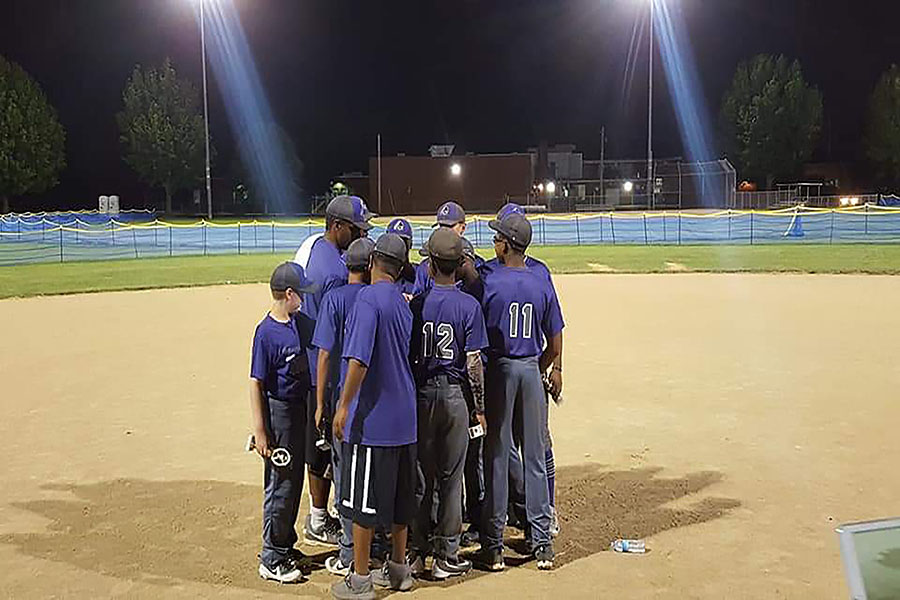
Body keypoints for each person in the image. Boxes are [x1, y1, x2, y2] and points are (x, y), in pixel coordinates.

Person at [472, 213, 564, 572]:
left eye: (498, 238)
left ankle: (493, 545)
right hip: (530, 369)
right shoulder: (540, 281)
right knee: (536, 458)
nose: (494, 242)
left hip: (500, 371)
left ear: (507, 244)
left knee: (496, 455)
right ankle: (542, 542)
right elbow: (555, 340)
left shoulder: (490, 281)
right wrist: (541, 367)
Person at [331, 233, 418, 600]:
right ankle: (399, 570)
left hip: (375, 419)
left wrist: (344, 405)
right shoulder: (402, 303)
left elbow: (359, 360)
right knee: (400, 501)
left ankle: (362, 579)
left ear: (371, 263)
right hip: (406, 416)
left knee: (362, 504)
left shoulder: (367, 299)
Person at [407, 228, 488, 580]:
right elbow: (473, 363)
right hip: (455, 397)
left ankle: (416, 551)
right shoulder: (469, 305)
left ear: (430, 266)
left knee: (422, 477)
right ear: (459, 264)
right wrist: (480, 408)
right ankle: (447, 556)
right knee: (452, 478)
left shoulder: (419, 304)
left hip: (423, 394)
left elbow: (409, 355)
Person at [302, 195, 375, 547]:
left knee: (323, 444)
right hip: (324, 371)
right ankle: (319, 518)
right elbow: (330, 338)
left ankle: (320, 514)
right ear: (337, 226)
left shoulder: (315, 246)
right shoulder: (334, 273)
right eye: (357, 229)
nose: (361, 234)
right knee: (326, 445)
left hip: (312, 355)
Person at [249, 262, 318, 583]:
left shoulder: (299, 322)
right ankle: (272, 555)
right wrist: (261, 431)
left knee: (294, 483)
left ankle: (285, 543)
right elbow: (256, 384)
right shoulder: (266, 333)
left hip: (299, 411)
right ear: (288, 295)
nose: (304, 299)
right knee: (281, 485)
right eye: (300, 294)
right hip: (279, 415)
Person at [412, 201, 467, 295]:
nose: (444, 230)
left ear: (463, 228)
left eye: (450, 226)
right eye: (441, 226)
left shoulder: (474, 265)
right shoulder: (425, 267)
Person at [386, 218, 417, 296]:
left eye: (403, 242)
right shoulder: (378, 276)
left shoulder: (420, 274)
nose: (399, 247)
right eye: (395, 242)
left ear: (410, 244)